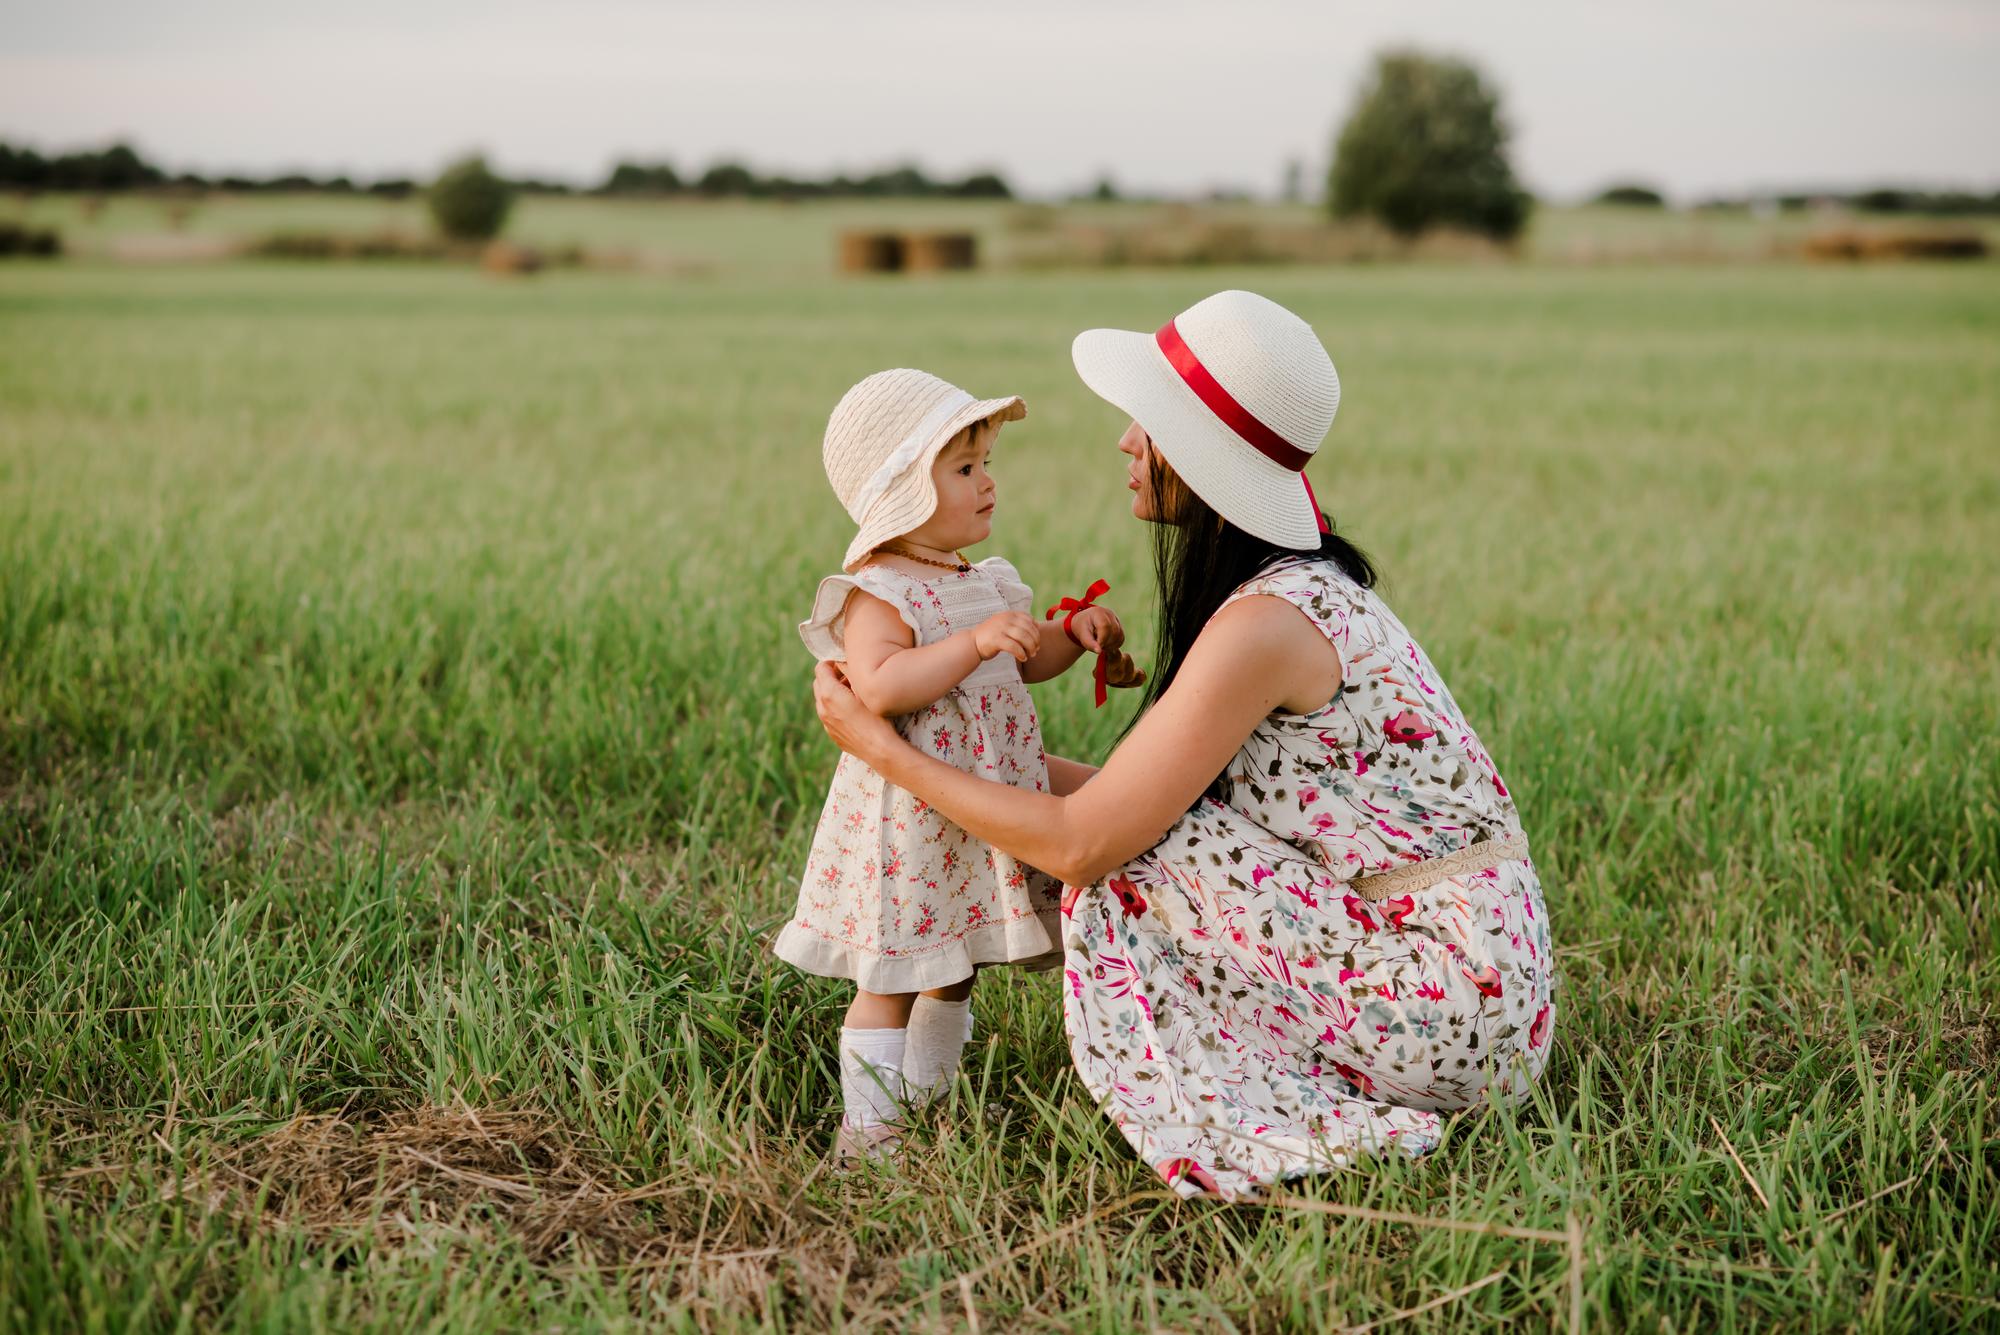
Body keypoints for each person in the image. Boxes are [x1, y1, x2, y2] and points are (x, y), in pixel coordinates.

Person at [810, 294, 1555, 1198]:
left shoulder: (1264, 622)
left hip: (1444, 1002)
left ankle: (892, 1123)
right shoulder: (1290, 588)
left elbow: (1090, 837)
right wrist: (959, 766)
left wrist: (884, 754)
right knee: (1123, 824)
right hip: (1480, 991)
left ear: (1201, 458)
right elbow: (1133, 799)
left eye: (1150, 422)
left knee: (1116, 854)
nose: (1125, 441)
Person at [774, 368, 1144, 1163]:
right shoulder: (878, 593)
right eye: (966, 468)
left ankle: (927, 1102)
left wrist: (1071, 635)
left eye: (987, 464)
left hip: (977, 812)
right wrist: (967, 645)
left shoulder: (983, 580)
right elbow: (876, 686)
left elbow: (1023, 657)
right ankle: (869, 1135)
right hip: (911, 818)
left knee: (956, 966)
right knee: (896, 970)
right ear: (906, 490)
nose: (989, 483)